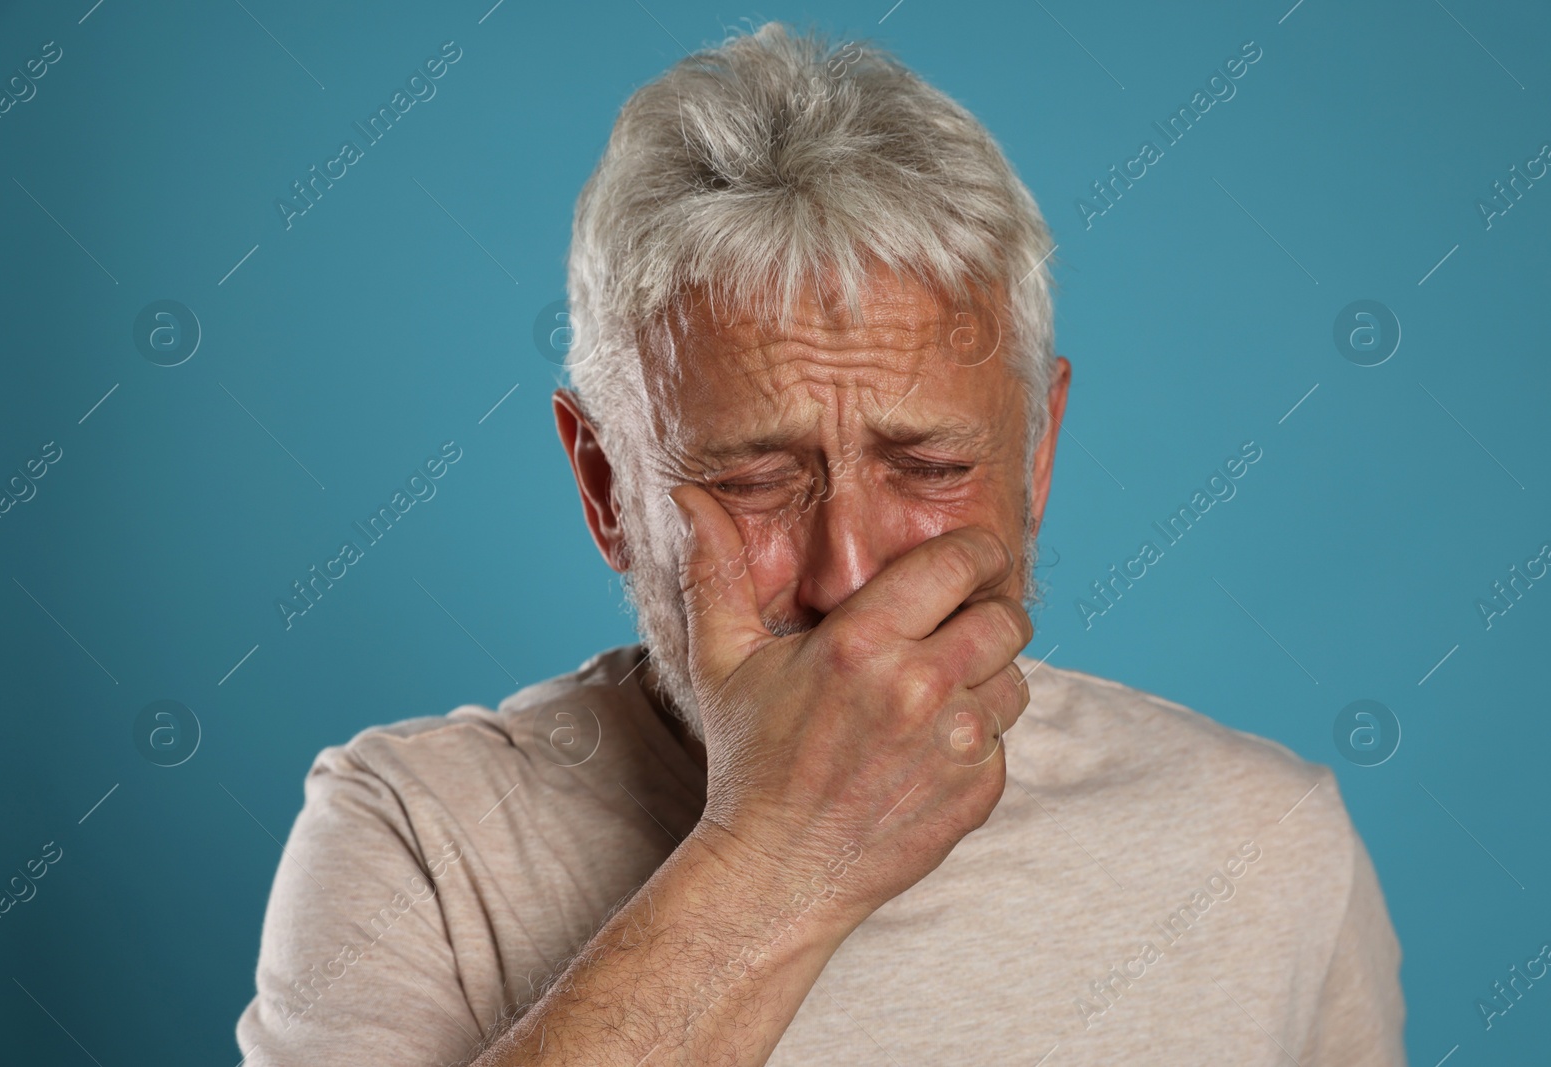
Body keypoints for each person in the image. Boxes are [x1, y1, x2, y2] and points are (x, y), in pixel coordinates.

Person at [236, 22, 1405, 1066]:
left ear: (1035, 457)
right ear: (605, 485)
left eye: (932, 467)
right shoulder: (414, 839)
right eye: (755, 479)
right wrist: (780, 849)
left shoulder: (1267, 845)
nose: (850, 571)